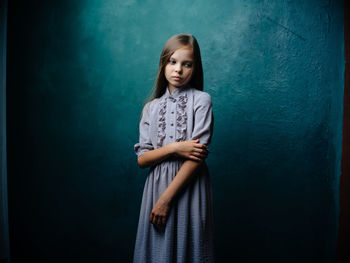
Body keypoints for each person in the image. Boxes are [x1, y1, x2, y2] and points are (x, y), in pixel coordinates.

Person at [133, 33, 215, 263]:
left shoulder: (202, 101)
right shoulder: (151, 108)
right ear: (164, 64)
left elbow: (197, 156)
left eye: (186, 64)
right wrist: (174, 148)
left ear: (195, 68)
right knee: (157, 252)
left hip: (188, 185)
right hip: (155, 187)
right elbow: (142, 158)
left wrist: (165, 199)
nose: (178, 69)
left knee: (189, 249)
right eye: (173, 62)